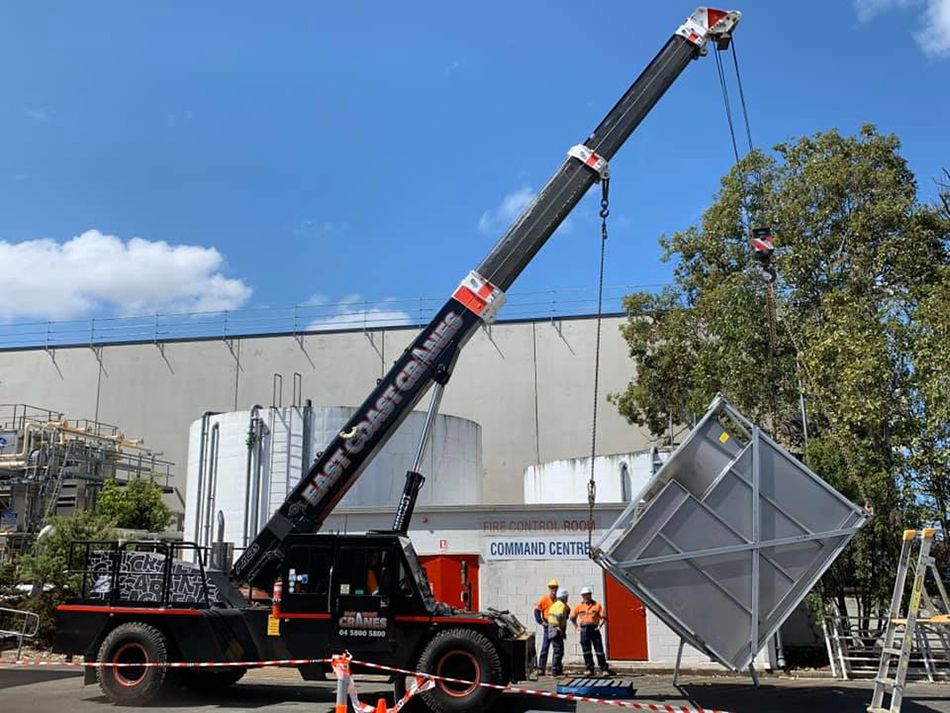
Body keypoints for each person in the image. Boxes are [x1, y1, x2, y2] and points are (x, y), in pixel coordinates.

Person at [570, 585, 612, 676]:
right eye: (584, 595)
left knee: (599, 650)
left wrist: (599, 626)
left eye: (587, 595)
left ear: (590, 595)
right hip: (584, 629)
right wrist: (576, 627)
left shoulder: (597, 605)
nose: (585, 597)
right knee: (586, 650)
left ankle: (604, 669)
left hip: (594, 628)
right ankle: (589, 669)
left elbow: (604, 617)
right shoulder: (579, 606)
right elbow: (572, 618)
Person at [533, 578, 560, 676]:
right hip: (548, 625)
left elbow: (566, 610)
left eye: (555, 588)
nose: (554, 590)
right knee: (545, 647)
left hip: (556, 625)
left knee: (557, 648)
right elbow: (536, 610)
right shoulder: (545, 599)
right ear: (549, 589)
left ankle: (555, 669)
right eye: (552, 588)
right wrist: (541, 621)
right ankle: (541, 668)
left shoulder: (559, 600)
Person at [547, 588, 570, 677]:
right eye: (566, 597)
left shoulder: (555, 604)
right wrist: (561, 629)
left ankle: (558, 669)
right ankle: (555, 670)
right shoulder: (561, 605)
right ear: (564, 597)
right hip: (557, 629)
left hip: (552, 629)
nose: (567, 599)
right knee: (558, 651)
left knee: (558, 650)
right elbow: (560, 617)